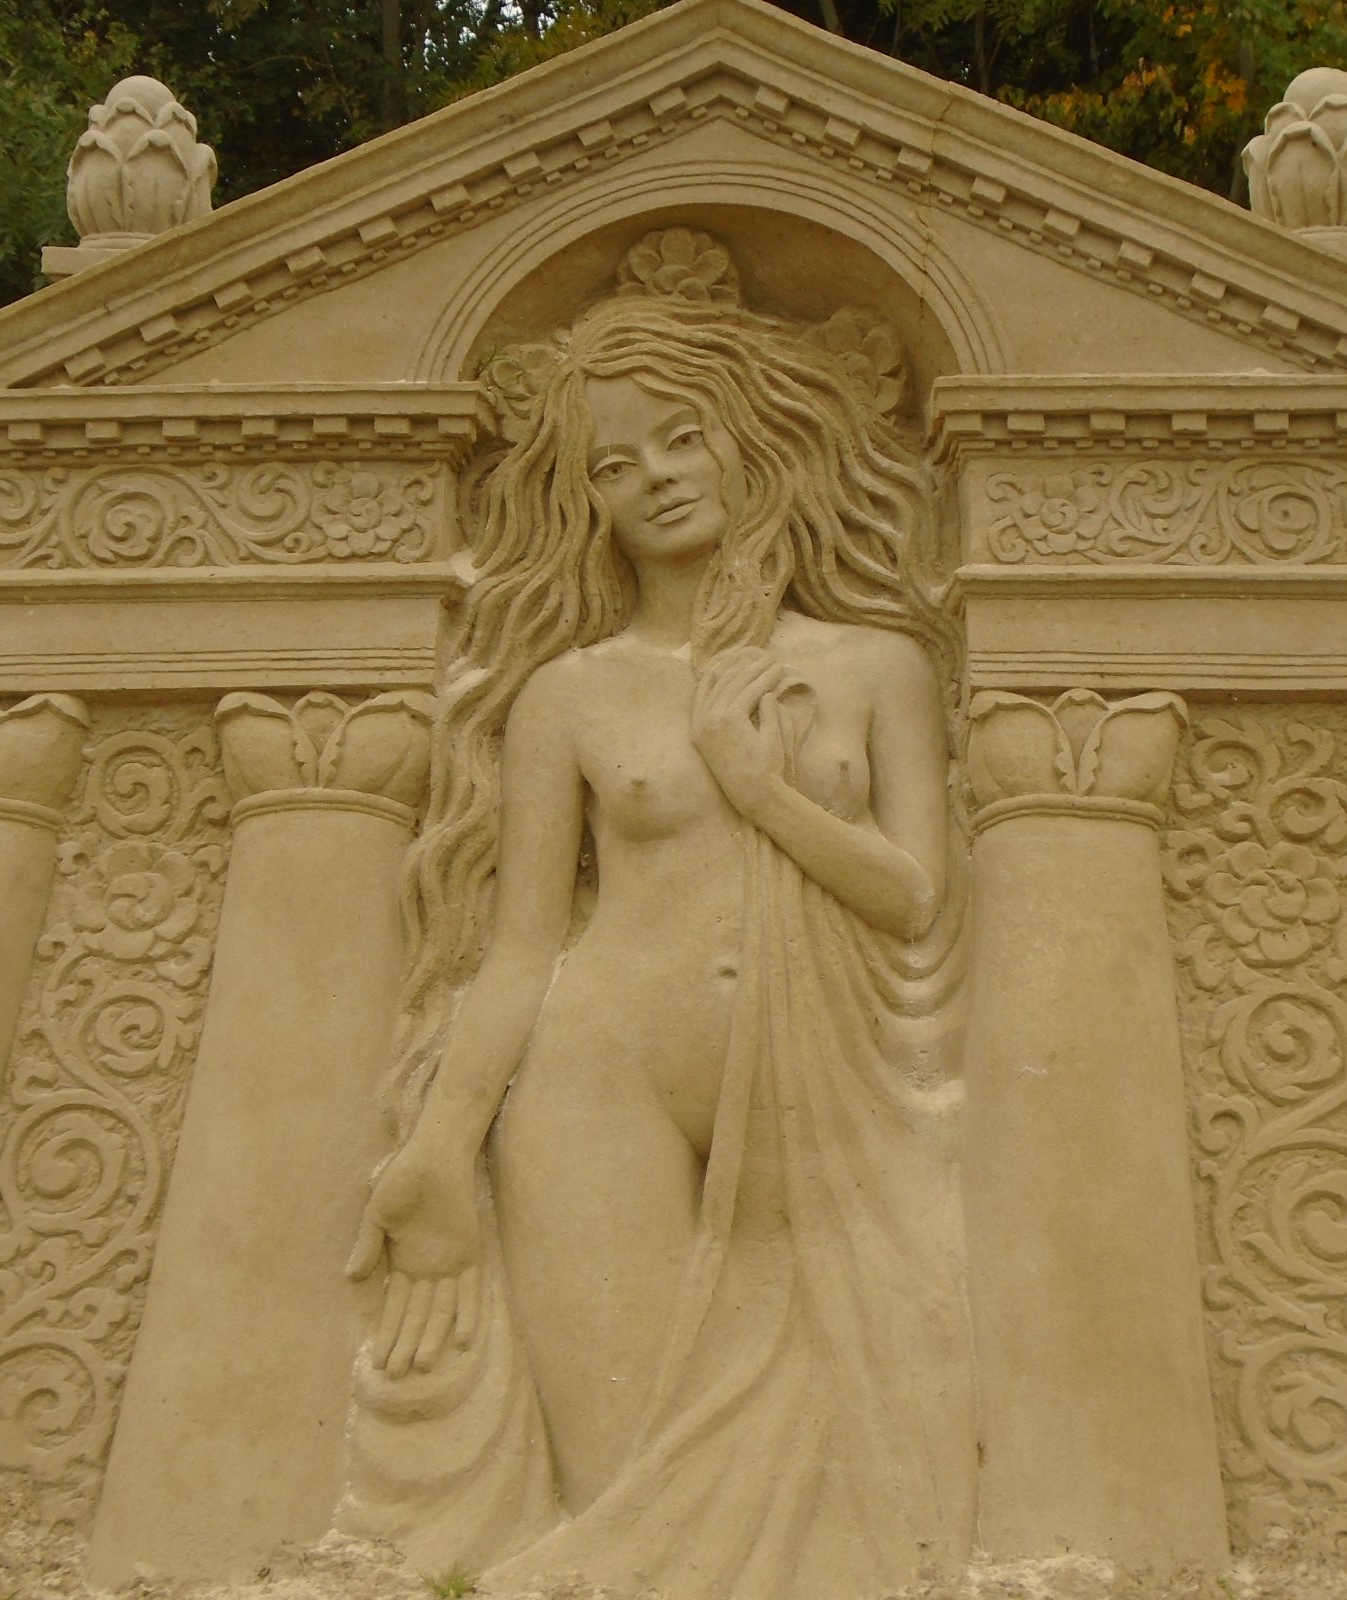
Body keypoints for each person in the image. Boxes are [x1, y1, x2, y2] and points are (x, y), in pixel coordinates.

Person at [342, 287, 975, 1600]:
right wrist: (441, 1148)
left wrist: (763, 793)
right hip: (595, 1078)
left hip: (825, 1090)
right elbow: (521, 949)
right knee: (626, 1498)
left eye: (681, 438)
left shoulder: (874, 667)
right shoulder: (566, 693)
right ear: (586, 500)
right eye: (613, 465)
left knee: (859, 1495)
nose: (656, 480)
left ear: (749, 439)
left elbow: (916, 898)